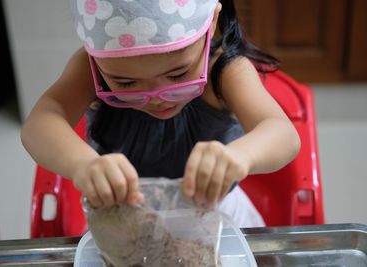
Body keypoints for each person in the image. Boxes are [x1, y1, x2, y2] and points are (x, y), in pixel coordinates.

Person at [21, 0, 300, 227]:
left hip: (217, 215)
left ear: (211, 25)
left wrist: (241, 155)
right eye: (126, 83)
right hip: (121, 221)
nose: (157, 98)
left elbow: (283, 134)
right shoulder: (89, 69)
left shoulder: (226, 72)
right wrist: (83, 165)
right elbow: (39, 124)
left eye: (178, 74)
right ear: (94, 57)